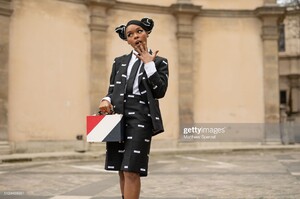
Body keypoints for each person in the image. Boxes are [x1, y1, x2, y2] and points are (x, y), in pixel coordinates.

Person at [99, 17, 169, 199]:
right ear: (127, 40)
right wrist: (106, 100)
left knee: (131, 169)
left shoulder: (160, 62)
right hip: (118, 117)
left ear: (147, 33)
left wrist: (149, 64)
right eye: (130, 34)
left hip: (141, 118)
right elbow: (112, 89)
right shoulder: (119, 62)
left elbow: (160, 91)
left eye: (139, 31)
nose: (136, 36)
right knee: (121, 169)